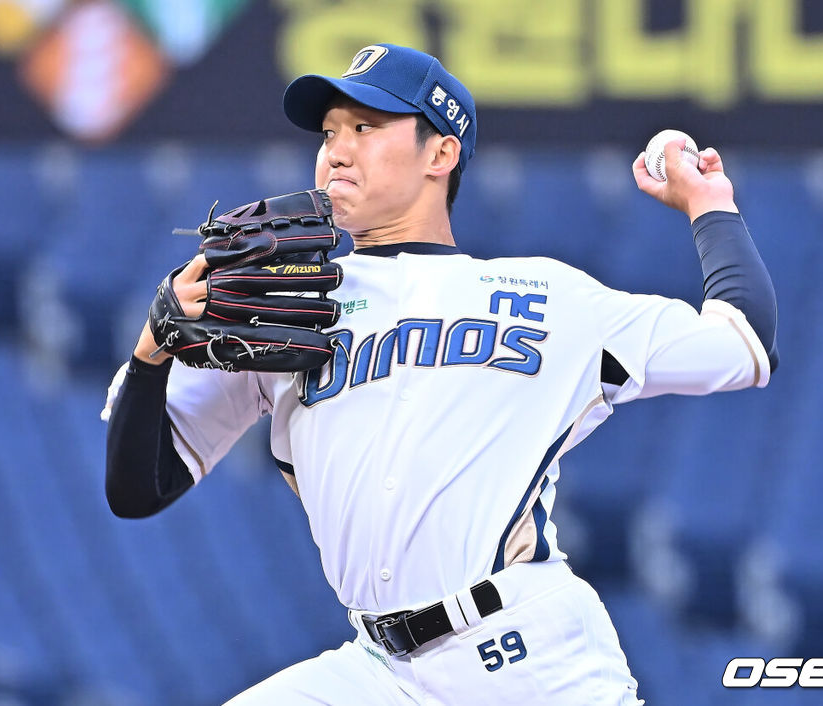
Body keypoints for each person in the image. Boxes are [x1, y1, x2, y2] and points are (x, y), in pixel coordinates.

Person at [103, 43, 778, 704]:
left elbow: (743, 345)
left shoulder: (548, 297)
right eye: (331, 131)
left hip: (526, 653)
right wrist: (150, 354)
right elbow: (138, 488)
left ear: (441, 152)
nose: (337, 148)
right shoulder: (288, 309)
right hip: (377, 670)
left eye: (366, 127)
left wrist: (708, 202)